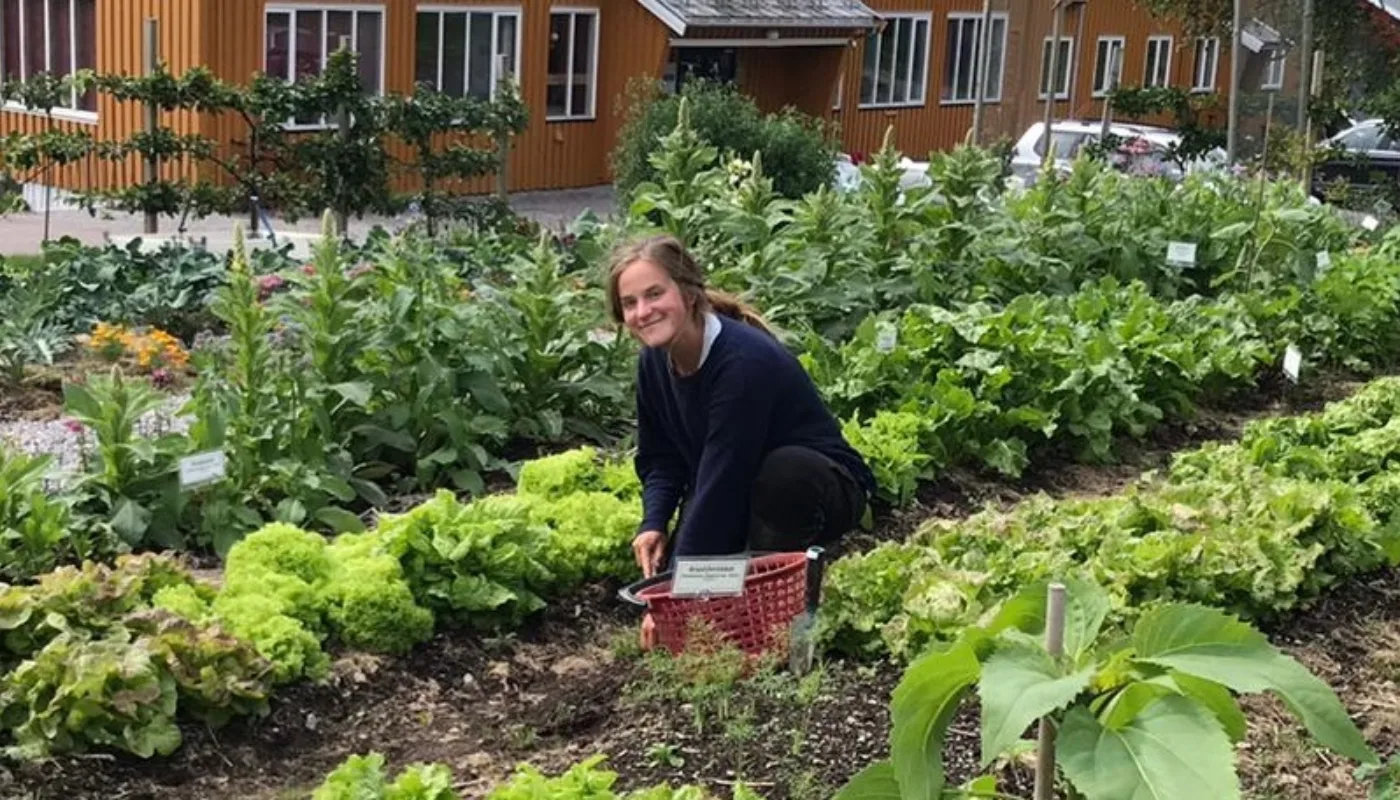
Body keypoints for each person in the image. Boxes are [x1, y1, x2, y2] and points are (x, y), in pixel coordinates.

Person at [606, 234, 877, 585]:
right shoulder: (653, 363)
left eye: (655, 294)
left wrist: (677, 590)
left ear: (689, 294)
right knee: (697, 563)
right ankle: (728, 589)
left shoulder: (743, 362)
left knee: (780, 476)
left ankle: (772, 585)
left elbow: (723, 481)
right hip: (740, 482)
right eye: (630, 303)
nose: (643, 312)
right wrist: (653, 522)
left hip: (822, 487)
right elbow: (662, 458)